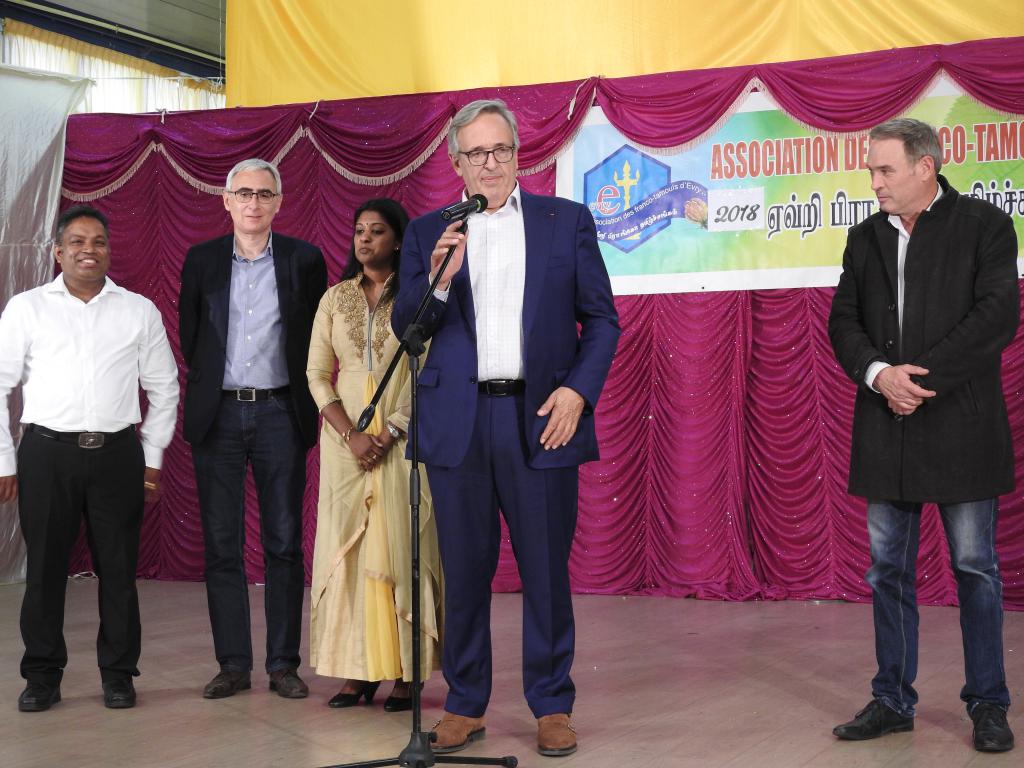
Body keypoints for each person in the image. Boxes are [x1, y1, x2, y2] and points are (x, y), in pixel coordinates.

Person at [392, 99, 620, 757]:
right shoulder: (428, 232)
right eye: (476, 153)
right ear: (456, 163)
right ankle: (465, 704)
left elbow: (601, 320)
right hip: (458, 423)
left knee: (545, 570)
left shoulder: (565, 221)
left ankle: (552, 703)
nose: (490, 163)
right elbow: (408, 329)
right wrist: (439, 282)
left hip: (539, 418)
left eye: (501, 150)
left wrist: (578, 391)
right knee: (464, 572)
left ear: (519, 155)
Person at [829, 118, 1018, 753]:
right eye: (871, 170)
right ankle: (892, 700)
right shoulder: (863, 237)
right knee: (888, 569)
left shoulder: (986, 225)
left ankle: (988, 704)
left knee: (974, 567)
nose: (874, 182)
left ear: (925, 166)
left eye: (885, 170)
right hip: (887, 425)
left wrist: (917, 380)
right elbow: (843, 322)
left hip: (961, 424)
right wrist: (880, 375)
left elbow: (996, 317)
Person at [0, 205, 178, 711]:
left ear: (108, 250)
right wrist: (4, 461)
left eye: (98, 241)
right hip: (46, 453)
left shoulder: (138, 310)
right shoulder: (27, 308)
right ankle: (41, 677)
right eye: (77, 242)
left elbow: (165, 387)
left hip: (117, 455)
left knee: (118, 570)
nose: (88, 250)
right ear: (58, 251)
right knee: (45, 570)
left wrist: (153, 455)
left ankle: (118, 675)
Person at [179, 158, 327, 700]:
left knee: (284, 543)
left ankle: (283, 664)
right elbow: (191, 337)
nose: (253, 203)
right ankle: (233, 665)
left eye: (264, 194)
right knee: (222, 545)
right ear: (226, 200)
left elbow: (315, 338)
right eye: (243, 193)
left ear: (278, 202)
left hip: (279, 412)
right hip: (217, 414)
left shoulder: (304, 260)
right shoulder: (201, 260)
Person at [306, 198, 442, 712]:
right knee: (348, 551)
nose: (364, 239)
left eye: (377, 231)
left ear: (399, 240)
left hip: (402, 438)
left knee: (401, 545)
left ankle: (405, 671)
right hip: (344, 444)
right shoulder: (334, 298)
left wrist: (389, 432)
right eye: (359, 231)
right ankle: (358, 670)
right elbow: (317, 373)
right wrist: (351, 435)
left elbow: (428, 369)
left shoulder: (416, 297)